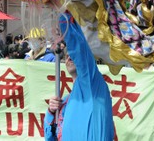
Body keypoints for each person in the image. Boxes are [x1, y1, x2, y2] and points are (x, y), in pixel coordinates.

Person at [44, 13, 114, 141]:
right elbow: (50, 138)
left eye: (71, 54)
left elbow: (79, 49)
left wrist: (63, 17)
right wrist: (51, 113)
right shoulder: (64, 102)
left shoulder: (94, 86)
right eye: (66, 56)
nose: (69, 57)